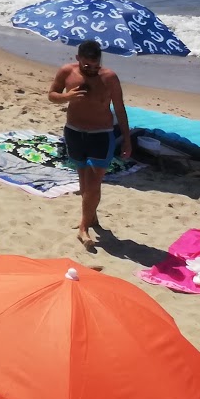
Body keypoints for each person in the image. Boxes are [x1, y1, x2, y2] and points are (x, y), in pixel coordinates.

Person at [48, 39, 132, 250]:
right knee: (84, 183)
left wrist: (127, 140)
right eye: (87, 66)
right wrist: (67, 96)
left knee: (94, 184)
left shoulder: (110, 78)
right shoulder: (67, 72)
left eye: (96, 65)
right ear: (78, 59)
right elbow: (52, 95)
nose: (93, 69)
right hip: (75, 132)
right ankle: (92, 218)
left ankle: (83, 228)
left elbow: (120, 110)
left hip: (101, 135)